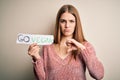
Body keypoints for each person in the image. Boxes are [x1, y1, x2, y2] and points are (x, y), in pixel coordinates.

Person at [28, 4, 104, 80]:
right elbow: (41, 78)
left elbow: (99, 75)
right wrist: (36, 58)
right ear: (58, 23)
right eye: (63, 21)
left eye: (71, 21)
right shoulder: (47, 48)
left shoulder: (85, 46)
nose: (67, 25)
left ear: (76, 23)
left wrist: (82, 49)